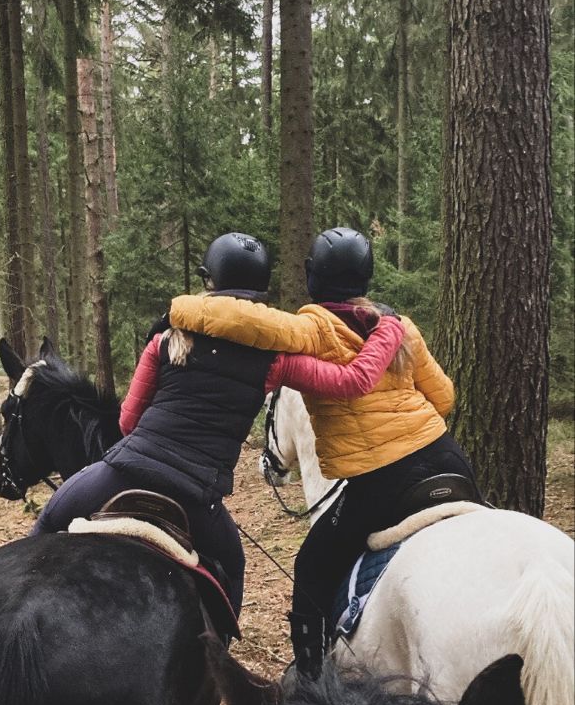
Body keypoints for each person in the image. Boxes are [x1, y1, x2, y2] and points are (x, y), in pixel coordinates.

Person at [33, 231, 404, 618]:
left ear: (209, 281)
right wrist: (386, 330)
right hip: (196, 499)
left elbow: (128, 421)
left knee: (48, 521)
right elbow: (353, 381)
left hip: (122, 473)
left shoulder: (165, 341)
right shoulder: (272, 361)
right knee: (233, 573)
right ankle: (219, 655)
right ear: (261, 290)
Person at [168, 226, 478, 673]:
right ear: (367, 277)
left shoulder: (313, 328)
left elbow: (242, 320)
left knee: (311, 569)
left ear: (312, 275)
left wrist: (180, 308)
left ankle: (311, 678)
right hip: (448, 459)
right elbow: (444, 398)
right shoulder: (400, 327)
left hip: (382, 481)